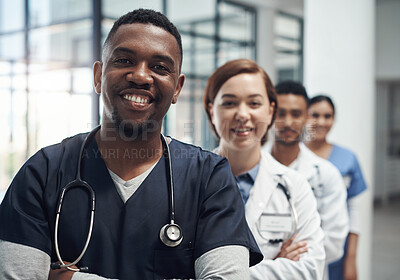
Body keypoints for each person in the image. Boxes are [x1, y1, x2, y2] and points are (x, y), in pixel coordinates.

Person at [0, 9, 263, 280]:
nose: (140, 76)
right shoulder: (42, 173)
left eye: (160, 67)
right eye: (125, 60)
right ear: (98, 76)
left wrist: (73, 279)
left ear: (177, 88)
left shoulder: (210, 177)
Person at [203, 58, 325, 279]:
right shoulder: (185, 181)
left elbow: (310, 269)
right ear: (212, 111)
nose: (242, 114)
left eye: (254, 103)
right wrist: (275, 266)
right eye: (229, 103)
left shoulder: (294, 186)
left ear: (270, 112)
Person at [265, 80, 349, 279]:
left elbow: (335, 244)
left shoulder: (326, 174)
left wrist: (283, 261)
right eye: (281, 114)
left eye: (296, 114)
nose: (288, 122)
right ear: (270, 114)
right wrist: (271, 260)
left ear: (306, 118)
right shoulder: (250, 168)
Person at [305, 94, 367, 280]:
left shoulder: (348, 159)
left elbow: (353, 211)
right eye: (315, 115)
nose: (321, 122)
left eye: (328, 116)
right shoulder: (293, 157)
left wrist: (352, 258)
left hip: (336, 247)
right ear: (305, 116)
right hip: (300, 245)